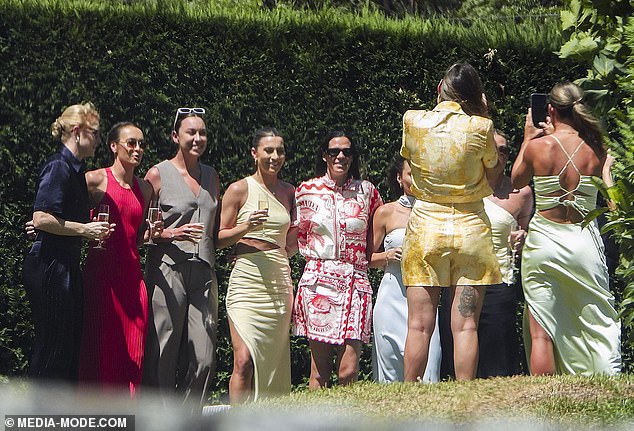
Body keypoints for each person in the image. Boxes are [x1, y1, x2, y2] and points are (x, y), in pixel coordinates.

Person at [400, 62, 502, 382]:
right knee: (466, 323)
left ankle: (408, 393)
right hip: (471, 228)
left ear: (438, 91)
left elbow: (410, 159)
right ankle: (464, 392)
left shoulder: (412, 121)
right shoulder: (481, 127)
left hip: (425, 228)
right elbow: (494, 174)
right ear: (475, 95)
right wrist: (483, 115)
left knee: (419, 323)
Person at [511, 82, 621, 375]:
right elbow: (613, 206)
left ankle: (544, 397)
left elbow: (516, 181)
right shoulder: (596, 149)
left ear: (550, 110)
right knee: (595, 316)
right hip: (584, 243)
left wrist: (527, 138)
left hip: (544, 241)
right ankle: (603, 373)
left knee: (542, 330)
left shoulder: (538, 147)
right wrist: (606, 171)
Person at [22, 102, 110, 382]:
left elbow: (47, 219)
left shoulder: (73, 170)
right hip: (51, 267)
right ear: (77, 131)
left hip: (62, 264)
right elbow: (41, 218)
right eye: (94, 133)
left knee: (64, 348)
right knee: (53, 349)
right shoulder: (59, 166)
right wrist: (85, 229)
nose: (98, 140)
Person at [438, 130, 533, 378]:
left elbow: (525, 233)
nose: (499, 155)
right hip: (462, 280)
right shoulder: (462, 188)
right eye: (495, 148)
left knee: (497, 359)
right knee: (456, 352)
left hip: (500, 281)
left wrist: (523, 238)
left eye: (504, 150)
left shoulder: (521, 193)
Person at [143, 108, 221, 407]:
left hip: (204, 271)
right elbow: (142, 234)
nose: (197, 138)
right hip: (167, 270)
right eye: (191, 132)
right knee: (163, 348)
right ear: (176, 136)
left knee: (204, 356)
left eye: (202, 133)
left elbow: (215, 230)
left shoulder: (212, 176)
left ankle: (188, 418)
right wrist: (170, 234)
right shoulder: (157, 174)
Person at [293, 131, 383, 389]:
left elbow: (378, 236)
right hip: (318, 282)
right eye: (334, 151)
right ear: (324, 156)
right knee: (319, 373)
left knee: (348, 371)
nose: (341, 156)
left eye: (347, 151)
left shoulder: (368, 192)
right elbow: (292, 235)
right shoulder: (305, 192)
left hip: (356, 283)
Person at [218, 127, 297, 403]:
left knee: (273, 362)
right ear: (255, 153)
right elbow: (217, 239)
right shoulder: (239, 189)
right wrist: (246, 227)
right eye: (268, 150)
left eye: (280, 151)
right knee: (243, 360)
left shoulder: (289, 192)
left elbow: (292, 239)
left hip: (278, 281)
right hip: (247, 282)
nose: (275, 156)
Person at [79, 122, 157, 395]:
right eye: (131, 143)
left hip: (133, 279)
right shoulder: (94, 180)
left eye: (141, 144)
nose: (138, 149)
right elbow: (64, 214)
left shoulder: (145, 189)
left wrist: (149, 233)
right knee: (101, 348)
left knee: (134, 354)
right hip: (101, 278)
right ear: (114, 146)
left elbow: (134, 237)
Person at [370, 155, 441, 383]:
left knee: (429, 368)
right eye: (412, 174)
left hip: (426, 296)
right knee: (390, 366)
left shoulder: (436, 212)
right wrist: (387, 255)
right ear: (399, 178)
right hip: (392, 296)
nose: (417, 179)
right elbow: (366, 258)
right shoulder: (385, 212)